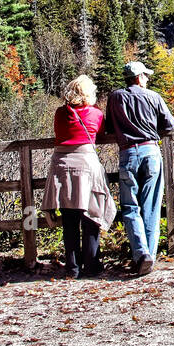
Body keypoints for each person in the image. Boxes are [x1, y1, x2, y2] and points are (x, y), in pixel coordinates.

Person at [104, 60, 174, 276]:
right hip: (151, 152)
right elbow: (169, 124)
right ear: (139, 77)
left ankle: (141, 253)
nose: (148, 78)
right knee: (151, 206)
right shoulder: (153, 96)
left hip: (128, 153)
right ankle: (149, 257)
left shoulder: (115, 97)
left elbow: (108, 127)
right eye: (145, 75)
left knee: (130, 206)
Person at [41, 75, 117, 279]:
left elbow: (59, 133)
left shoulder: (60, 113)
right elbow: (100, 133)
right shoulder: (95, 114)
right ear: (88, 94)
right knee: (91, 214)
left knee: (70, 219)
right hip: (86, 164)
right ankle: (92, 264)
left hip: (61, 165)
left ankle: (72, 268)